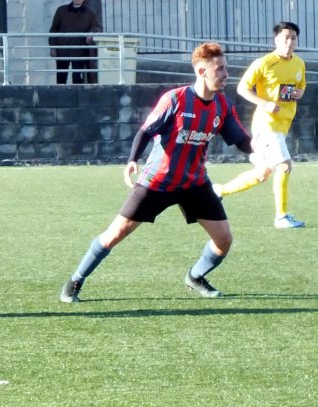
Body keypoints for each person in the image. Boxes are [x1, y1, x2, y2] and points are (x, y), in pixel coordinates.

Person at [59, 42, 252, 303]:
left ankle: (195, 276)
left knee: (224, 239)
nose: (225, 74)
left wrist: (263, 152)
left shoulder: (222, 105)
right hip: (157, 182)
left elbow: (240, 139)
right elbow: (146, 131)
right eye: (219, 69)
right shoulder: (175, 99)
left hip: (194, 183)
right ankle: (75, 281)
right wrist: (132, 160)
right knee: (115, 234)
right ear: (201, 71)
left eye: (225, 68)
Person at [213, 22, 307, 229]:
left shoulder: (299, 63)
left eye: (293, 38)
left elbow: (300, 88)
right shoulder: (264, 63)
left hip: (282, 126)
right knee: (284, 166)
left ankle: (219, 191)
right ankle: (281, 217)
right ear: (276, 40)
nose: (289, 42)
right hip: (266, 125)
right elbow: (242, 88)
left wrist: (300, 93)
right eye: (285, 37)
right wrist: (264, 103)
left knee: (261, 174)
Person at [48, 0, 102, 85]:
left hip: (79, 51)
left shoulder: (90, 12)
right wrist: (53, 47)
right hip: (63, 49)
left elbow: (97, 26)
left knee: (77, 77)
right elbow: (54, 29)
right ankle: (61, 96)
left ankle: (76, 96)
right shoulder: (61, 10)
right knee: (61, 77)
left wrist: (92, 32)